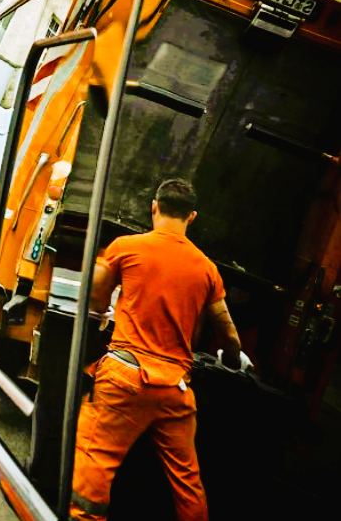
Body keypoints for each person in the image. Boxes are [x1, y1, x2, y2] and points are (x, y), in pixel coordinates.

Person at [71, 179, 248, 521]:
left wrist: (107, 309)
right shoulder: (207, 269)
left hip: (125, 377)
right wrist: (230, 358)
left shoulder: (127, 247)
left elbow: (93, 296)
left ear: (154, 206)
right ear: (191, 217)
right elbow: (229, 335)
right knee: (187, 480)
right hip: (175, 390)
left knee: (96, 459)